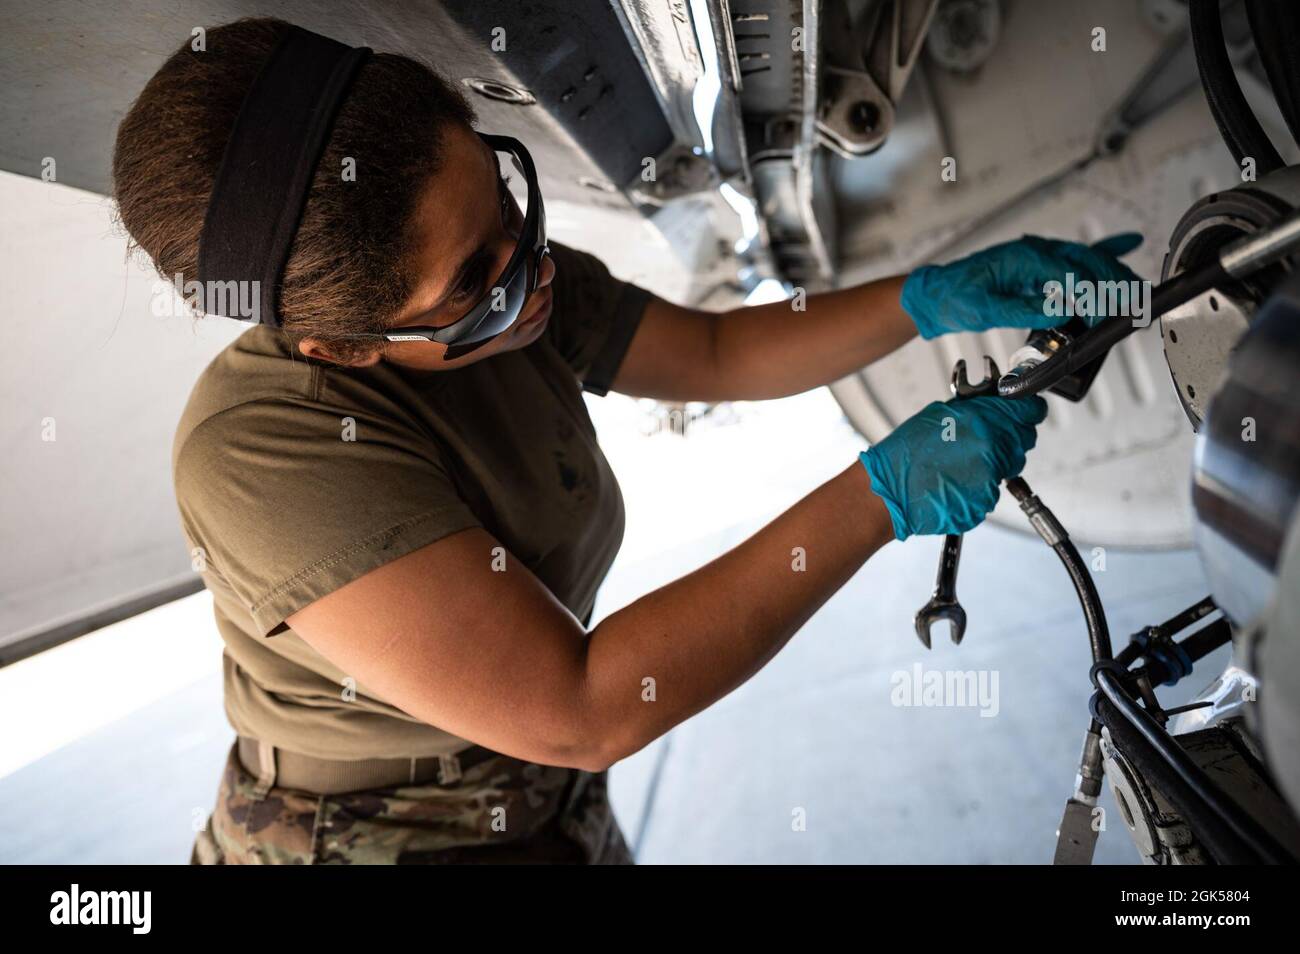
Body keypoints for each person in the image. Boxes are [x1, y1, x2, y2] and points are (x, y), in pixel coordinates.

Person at [111, 18, 1143, 864]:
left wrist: (932, 295)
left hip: (546, 810)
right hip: (370, 844)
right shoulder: (260, 453)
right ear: (341, 350)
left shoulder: (501, 290)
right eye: (472, 278)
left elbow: (716, 353)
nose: (527, 266)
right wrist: (881, 495)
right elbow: (579, 704)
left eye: (506, 197)